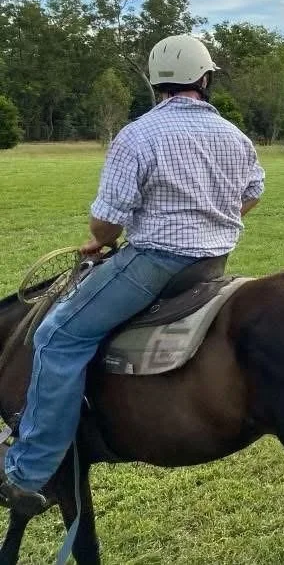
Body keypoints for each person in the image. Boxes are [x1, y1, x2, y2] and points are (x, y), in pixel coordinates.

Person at [0, 35, 265, 515]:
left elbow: (106, 223)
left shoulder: (138, 134)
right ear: (205, 80)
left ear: (154, 82)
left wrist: (98, 240)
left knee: (57, 336)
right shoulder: (235, 135)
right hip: (213, 265)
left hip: (154, 264)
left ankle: (27, 471)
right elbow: (253, 190)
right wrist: (218, 216)